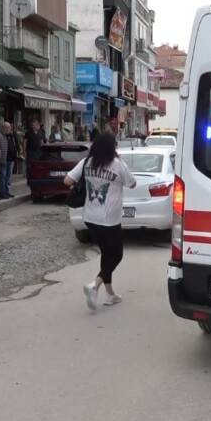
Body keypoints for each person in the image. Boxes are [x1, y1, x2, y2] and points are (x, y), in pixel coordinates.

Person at [64, 132, 137, 311]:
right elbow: (132, 183)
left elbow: (67, 180)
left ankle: (110, 294)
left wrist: (81, 185)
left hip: (90, 217)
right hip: (109, 219)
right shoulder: (118, 165)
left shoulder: (86, 162)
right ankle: (94, 286)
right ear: (112, 147)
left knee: (106, 254)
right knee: (117, 254)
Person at [0, 122, 17, 199]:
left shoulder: (11, 136)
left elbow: (14, 146)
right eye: (6, 128)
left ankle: (7, 192)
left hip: (10, 159)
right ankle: (2, 193)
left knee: (8, 177)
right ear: (3, 128)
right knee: (2, 177)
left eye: (9, 128)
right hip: (3, 160)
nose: (8, 129)